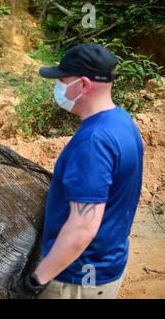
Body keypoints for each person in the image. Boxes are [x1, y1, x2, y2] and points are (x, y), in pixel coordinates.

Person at [11, 43, 143, 299]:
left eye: (62, 80)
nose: (57, 87)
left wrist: (37, 280)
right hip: (107, 265)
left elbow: (83, 226)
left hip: (77, 281)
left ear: (83, 85)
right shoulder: (121, 121)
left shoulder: (93, 142)